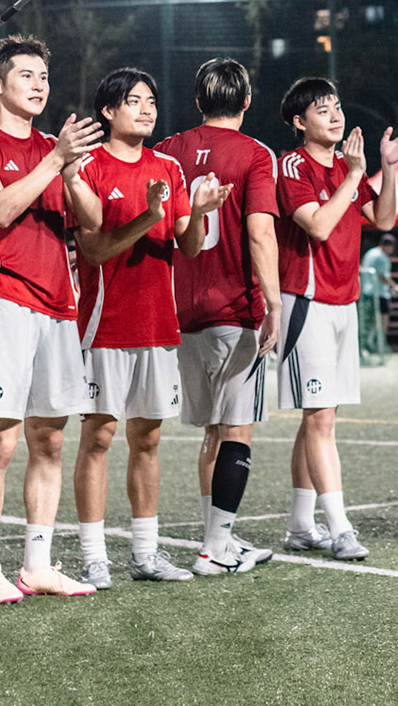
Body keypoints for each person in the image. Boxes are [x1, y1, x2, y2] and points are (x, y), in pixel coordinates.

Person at [0, 35, 105, 604]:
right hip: (5, 299)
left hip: (59, 305)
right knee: (1, 443)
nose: (39, 84)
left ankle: (37, 565)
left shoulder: (52, 146)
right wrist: (55, 160)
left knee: (51, 442)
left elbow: (90, 223)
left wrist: (69, 172)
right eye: (26, 75)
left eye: (44, 75)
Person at [69, 67, 226, 585]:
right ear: (108, 111)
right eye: (134, 101)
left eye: (152, 100)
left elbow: (189, 244)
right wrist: (148, 216)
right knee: (99, 436)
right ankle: (94, 555)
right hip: (104, 325)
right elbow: (92, 249)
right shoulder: (88, 167)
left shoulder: (169, 168)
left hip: (159, 326)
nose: (146, 108)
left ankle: (145, 553)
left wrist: (198, 212)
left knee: (149, 439)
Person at [155, 58, 283, 577]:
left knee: (212, 431)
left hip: (181, 312)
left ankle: (219, 539)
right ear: (247, 101)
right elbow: (259, 232)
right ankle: (215, 548)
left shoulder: (167, 150)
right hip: (234, 308)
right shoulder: (255, 154)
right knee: (237, 431)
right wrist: (274, 304)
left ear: (199, 101)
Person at [276, 75, 398, 562]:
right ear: (299, 122)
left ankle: (298, 525)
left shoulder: (348, 168)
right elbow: (316, 223)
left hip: (343, 301)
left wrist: (387, 168)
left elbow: (387, 220)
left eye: (337, 106)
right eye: (322, 109)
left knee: (320, 416)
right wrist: (354, 176)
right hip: (306, 301)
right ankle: (340, 527)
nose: (336, 115)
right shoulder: (293, 165)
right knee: (321, 418)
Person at [359, 233, 398, 360]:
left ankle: (365, 348)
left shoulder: (370, 253)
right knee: (382, 324)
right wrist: (396, 287)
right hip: (379, 294)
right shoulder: (382, 257)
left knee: (366, 322)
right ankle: (378, 347)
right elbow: (383, 276)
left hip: (366, 293)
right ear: (389, 246)